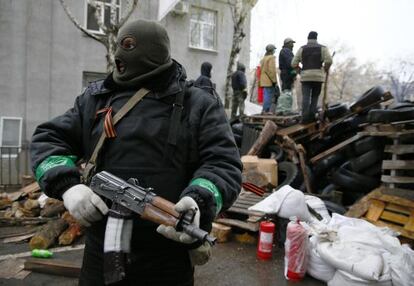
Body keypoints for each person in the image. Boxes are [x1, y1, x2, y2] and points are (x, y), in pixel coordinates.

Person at [30, 20, 242, 286]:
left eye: (131, 48)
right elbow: (48, 139)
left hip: (167, 255)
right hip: (101, 251)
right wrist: (68, 187)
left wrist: (200, 199)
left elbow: (223, 163)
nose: (121, 58)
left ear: (156, 53)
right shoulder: (96, 99)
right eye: (121, 47)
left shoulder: (198, 103)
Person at [291, 31, 333, 123]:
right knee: (315, 97)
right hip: (318, 77)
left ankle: (305, 118)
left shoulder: (302, 49)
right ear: (316, 38)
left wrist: (299, 71)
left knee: (305, 97)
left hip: (305, 76)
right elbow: (329, 60)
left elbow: (293, 63)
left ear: (308, 38)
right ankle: (311, 117)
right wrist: (325, 68)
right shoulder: (323, 48)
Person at [277, 37, 297, 115]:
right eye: (292, 43)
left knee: (286, 90)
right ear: (288, 44)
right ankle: (285, 110)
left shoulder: (285, 51)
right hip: (287, 73)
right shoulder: (286, 51)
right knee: (286, 91)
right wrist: (294, 72)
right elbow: (291, 63)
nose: (293, 45)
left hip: (286, 73)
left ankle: (283, 109)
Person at [259, 44, 280, 114]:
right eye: (274, 49)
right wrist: (274, 81)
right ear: (272, 50)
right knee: (269, 96)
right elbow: (272, 71)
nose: (274, 51)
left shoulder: (263, 59)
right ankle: (266, 110)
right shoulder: (271, 58)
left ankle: (264, 110)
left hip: (263, 80)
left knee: (266, 95)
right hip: (269, 80)